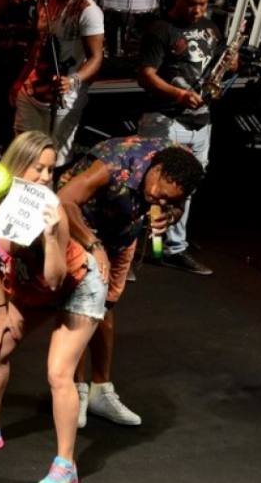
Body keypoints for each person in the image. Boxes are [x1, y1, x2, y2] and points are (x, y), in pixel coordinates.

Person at [0, 131, 106, 483]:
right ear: (17, 166)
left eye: (51, 170)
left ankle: (66, 466)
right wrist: (1, 309)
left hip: (77, 285)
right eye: (38, 168)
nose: (46, 177)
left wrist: (50, 238)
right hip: (32, 286)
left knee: (58, 373)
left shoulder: (53, 212)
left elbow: (56, 279)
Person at [57, 136, 204, 427]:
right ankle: (77, 389)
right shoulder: (113, 164)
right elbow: (64, 199)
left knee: (105, 307)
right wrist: (92, 244)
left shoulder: (180, 169)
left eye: (170, 199)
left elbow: (177, 204)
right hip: (81, 225)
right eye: (161, 194)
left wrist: (170, 215)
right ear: (156, 171)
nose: (161, 201)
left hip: (121, 232)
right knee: (81, 305)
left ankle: (100, 390)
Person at [137, 0, 238, 276]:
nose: (198, 10)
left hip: (201, 120)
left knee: (186, 186)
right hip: (166, 118)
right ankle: (138, 248)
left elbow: (221, 64)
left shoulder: (210, 28)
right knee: (151, 185)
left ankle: (173, 248)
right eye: (192, 3)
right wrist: (178, 94)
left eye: (203, 4)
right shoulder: (161, 29)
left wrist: (232, 63)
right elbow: (146, 75)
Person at [12, 0, 104, 168]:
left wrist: (73, 80)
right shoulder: (47, 0)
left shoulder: (88, 11)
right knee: (22, 159)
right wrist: (21, 79)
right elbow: (38, 45)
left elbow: (96, 58)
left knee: (50, 163)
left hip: (62, 101)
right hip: (31, 93)